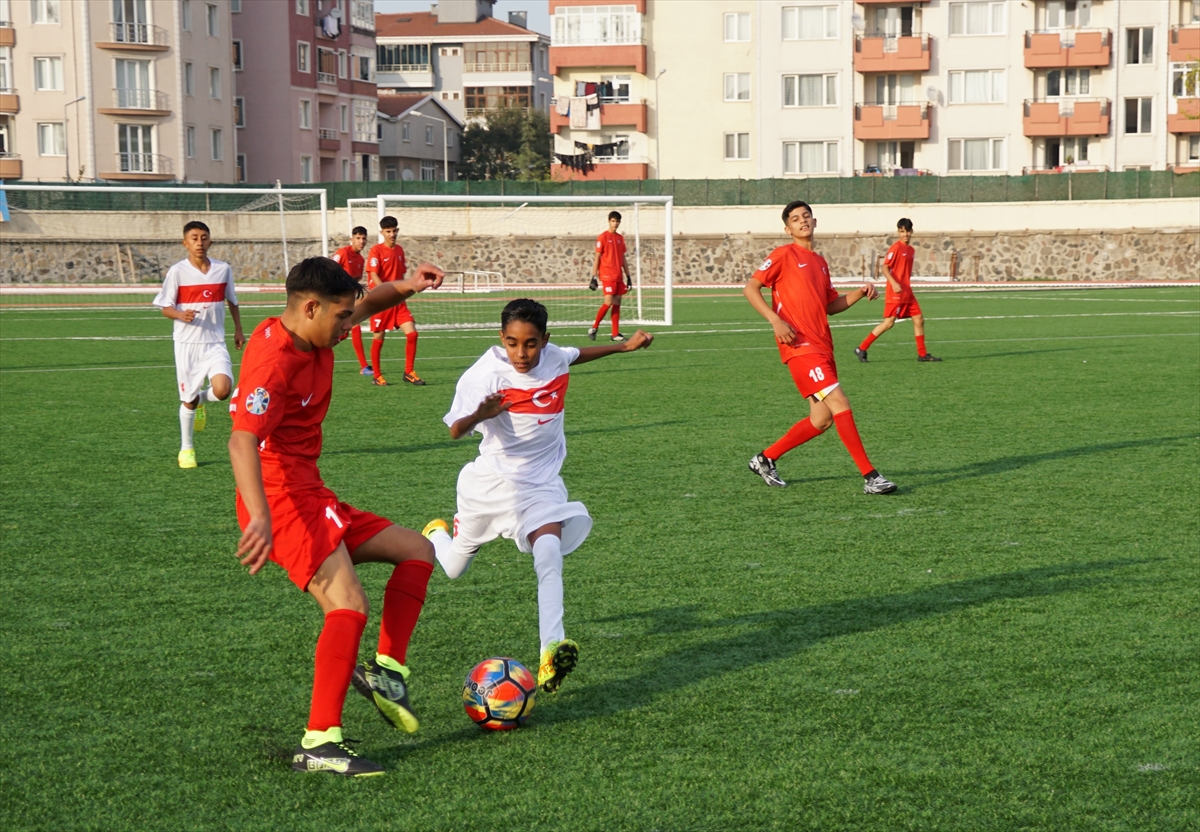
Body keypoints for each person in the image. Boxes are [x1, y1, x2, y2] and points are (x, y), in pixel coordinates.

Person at [229, 255, 446, 777]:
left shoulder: (314, 330)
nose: (352, 324)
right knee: (347, 604)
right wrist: (260, 518)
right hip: (282, 499)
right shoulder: (274, 362)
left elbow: (372, 300)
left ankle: (385, 671)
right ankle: (319, 741)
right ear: (310, 308)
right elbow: (241, 442)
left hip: (312, 491)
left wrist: (409, 286)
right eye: (343, 317)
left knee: (417, 550)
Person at [424, 298, 653, 694]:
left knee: (549, 554)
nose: (521, 353)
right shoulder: (485, 375)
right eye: (512, 343)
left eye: (530, 344)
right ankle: (437, 534)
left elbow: (575, 354)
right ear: (502, 338)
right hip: (491, 486)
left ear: (545, 341)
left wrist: (623, 346)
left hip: (541, 486)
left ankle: (550, 652)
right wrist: (481, 414)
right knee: (454, 567)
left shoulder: (554, 358)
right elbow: (454, 431)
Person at [743, 201, 897, 495]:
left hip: (822, 346)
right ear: (787, 228)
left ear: (815, 221)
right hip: (799, 346)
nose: (802, 221)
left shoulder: (819, 262)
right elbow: (751, 288)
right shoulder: (782, 254)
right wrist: (775, 321)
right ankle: (871, 476)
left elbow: (830, 306)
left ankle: (765, 458)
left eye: (806, 216)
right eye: (795, 219)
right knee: (840, 401)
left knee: (821, 419)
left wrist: (859, 291)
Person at [153, 220, 245, 469]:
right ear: (185, 243)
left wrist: (238, 329)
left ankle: (201, 400)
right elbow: (165, 307)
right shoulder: (177, 272)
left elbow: (232, 300)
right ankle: (187, 448)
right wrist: (179, 315)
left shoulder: (223, 269)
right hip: (187, 344)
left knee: (224, 389)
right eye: (193, 238)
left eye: (204, 237)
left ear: (210, 241)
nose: (199, 242)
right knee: (188, 400)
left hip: (215, 342)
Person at [855, 218, 941, 363]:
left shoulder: (911, 250)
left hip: (907, 292)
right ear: (898, 232)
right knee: (888, 323)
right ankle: (862, 348)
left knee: (918, 319)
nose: (905, 234)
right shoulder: (895, 248)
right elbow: (884, 267)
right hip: (896, 292)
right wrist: (893, 283)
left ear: (911, 232)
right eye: (902, 231)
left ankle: (922, 354)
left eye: (907, 231)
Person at [365, 216, 425, 386]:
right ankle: (377, 375)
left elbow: (402, 275)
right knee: (379, 338)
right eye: (388, 231)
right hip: (381, 301)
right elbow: (374, 274)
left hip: (398, 301)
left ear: (397, 231)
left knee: (412, 333)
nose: (391, 234)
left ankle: (409, 372)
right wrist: (385, 291)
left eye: (394, 231)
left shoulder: (399, 250)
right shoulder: (376, 251)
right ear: (382, 232)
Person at [332, 225, 373, 377]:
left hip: (347, 299)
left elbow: (356, 279)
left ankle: (364, 366)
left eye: (363, 238)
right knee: (345, 329)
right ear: (352, 239)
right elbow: (331, 269)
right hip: (335, 298)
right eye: (358, 238)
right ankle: (364, 366)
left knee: (348, 330)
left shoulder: (361, 259)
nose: (361, 241)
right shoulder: (342, 253)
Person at [587, 211, 632, 342]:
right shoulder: (602, 237)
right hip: (607, 275)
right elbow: (597, 257)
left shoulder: (620, 238)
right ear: (609, 221)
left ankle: (615, 333)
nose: (615, 223)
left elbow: (623, 258)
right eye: (613, 221)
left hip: (618, 276)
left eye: (617, 221)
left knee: (617, 302)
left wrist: (628, 276)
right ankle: (594, 327)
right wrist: (593, 277)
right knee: (608, 302)